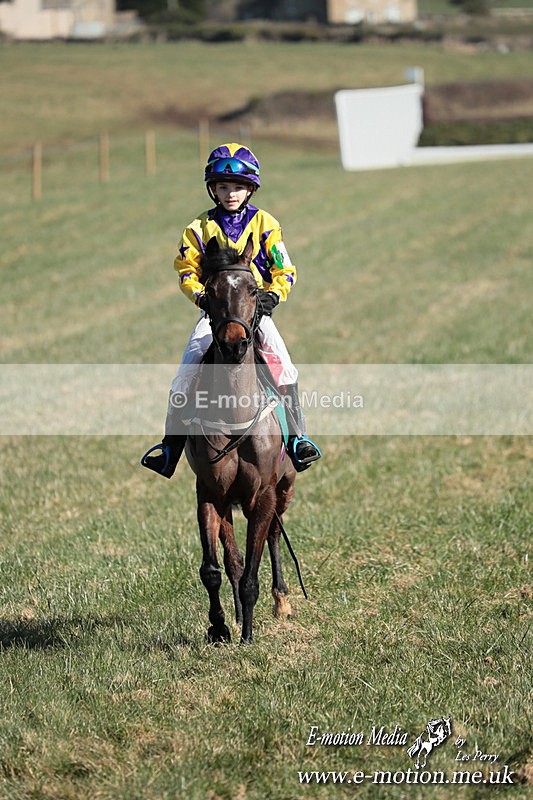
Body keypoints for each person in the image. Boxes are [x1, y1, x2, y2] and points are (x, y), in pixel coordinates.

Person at [141, 142, 321, 479]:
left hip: (256, 313)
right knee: (186, 371)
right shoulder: (198, 227)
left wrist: (271, 298)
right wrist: (201, 298)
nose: (230, 194)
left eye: (237, 187)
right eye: (223, 187)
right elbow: (186, 271)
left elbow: (286, 271)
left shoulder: (266, 223)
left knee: (286, 367)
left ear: (250, 188)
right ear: (213, 189)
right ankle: (169, 447)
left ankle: (297, 439)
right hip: (214, 315)